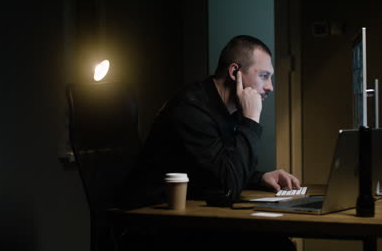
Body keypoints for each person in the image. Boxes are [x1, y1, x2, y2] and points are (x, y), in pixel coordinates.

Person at [120, 35, 298, 250]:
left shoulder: (225, 109)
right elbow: (227, 186)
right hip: (157, 224)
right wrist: (251, 121)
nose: (270, 87)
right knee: (275, 245)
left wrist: (260, 177)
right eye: (264, 76)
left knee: (277, 241)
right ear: (234, 72)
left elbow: (217, 166)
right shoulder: (191, 110)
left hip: (190, 213)